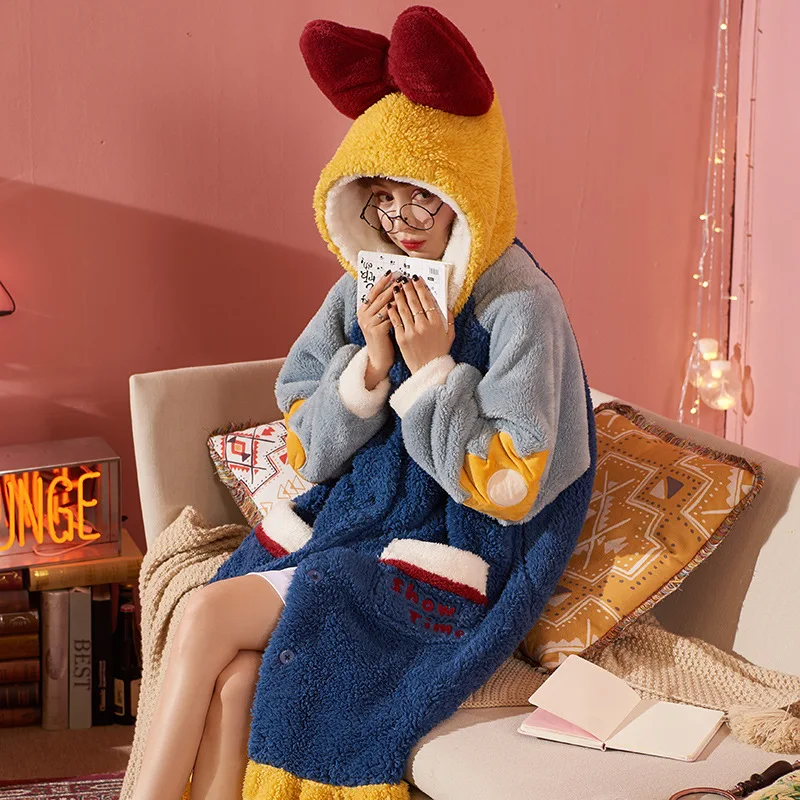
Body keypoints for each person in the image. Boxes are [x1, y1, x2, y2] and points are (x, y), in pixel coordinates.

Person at [129, 7, 596, 800]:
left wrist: (434, 369)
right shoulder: (364, 284)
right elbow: (304, 445)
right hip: (354, 525)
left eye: (424, 197)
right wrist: (371, 368)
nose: (401, 221)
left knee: (204, 616)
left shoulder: (522, 306)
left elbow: (512, 489)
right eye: (383, 197)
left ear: (468, 191)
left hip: (455, 553)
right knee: (236, 683)